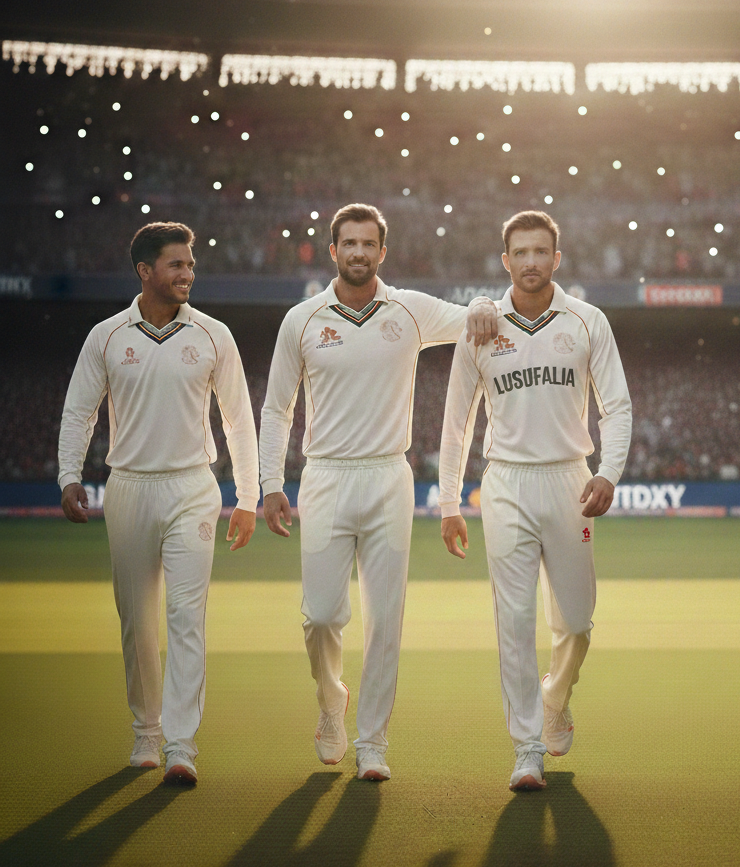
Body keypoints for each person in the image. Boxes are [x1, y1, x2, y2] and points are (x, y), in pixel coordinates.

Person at [260, 203, 497, 782]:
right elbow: (276, 406)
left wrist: (489, 303)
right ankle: (330, 697)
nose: (359, 252)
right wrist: (270, 483)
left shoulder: (410, 311)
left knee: (385, 620)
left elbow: (475, 317)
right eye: (349, 243)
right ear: (333, 250)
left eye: (370, 243)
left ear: (382, 252)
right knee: (320, 616)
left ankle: (373, 742)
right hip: (325, 475)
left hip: (389, 475)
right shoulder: (304, 319)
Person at [58, 222, 259, 785]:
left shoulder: (215, 335)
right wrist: (68, 474)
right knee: (137, 619)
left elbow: (239, 419)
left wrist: (247, 496)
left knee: (185, 617)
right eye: (176, 265)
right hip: (129, 487)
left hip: (193, 486)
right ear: (145, 272)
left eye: (191, 264)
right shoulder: (106, 336)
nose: (188, 273)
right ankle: (146, 733)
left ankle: (180, 744)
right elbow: (80, 412)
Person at [438, 211, 632, 791]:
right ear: (505, 261)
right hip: (506, 483)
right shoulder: (480, 325)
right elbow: (456, 425)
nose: (530, 262)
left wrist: (609, 472)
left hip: (570, 480)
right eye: (519, 253)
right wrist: (450, 502)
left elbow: (616, 406)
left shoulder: (586, 320)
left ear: (557, 258)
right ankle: (525, 748)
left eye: (540, 252)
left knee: (575, 623)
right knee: (515, 621)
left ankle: (556, 695)